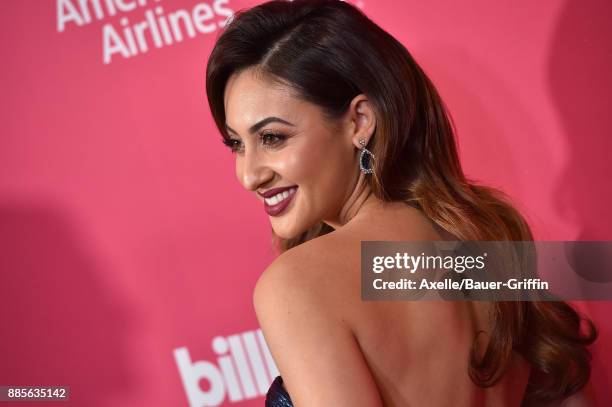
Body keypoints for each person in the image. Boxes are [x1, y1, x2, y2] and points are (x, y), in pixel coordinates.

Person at [205, 0, 598, 405]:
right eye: (236, 144)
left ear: (359, 121)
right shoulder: (493, 232)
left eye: (272, 138)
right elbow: (571, 391)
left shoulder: (298, 286)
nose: (249, 174)